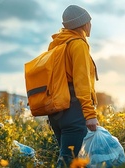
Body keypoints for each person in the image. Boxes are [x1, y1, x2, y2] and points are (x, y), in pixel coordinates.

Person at [47, 4, 99, 167]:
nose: (91, 25)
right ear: (83, 24)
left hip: (56, 111)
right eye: (89, 22)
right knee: (69, 162)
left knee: (68, 159)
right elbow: (81, 81)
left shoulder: (57, 44)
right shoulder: (78, 44)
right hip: (74, 109)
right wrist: (89, 114)